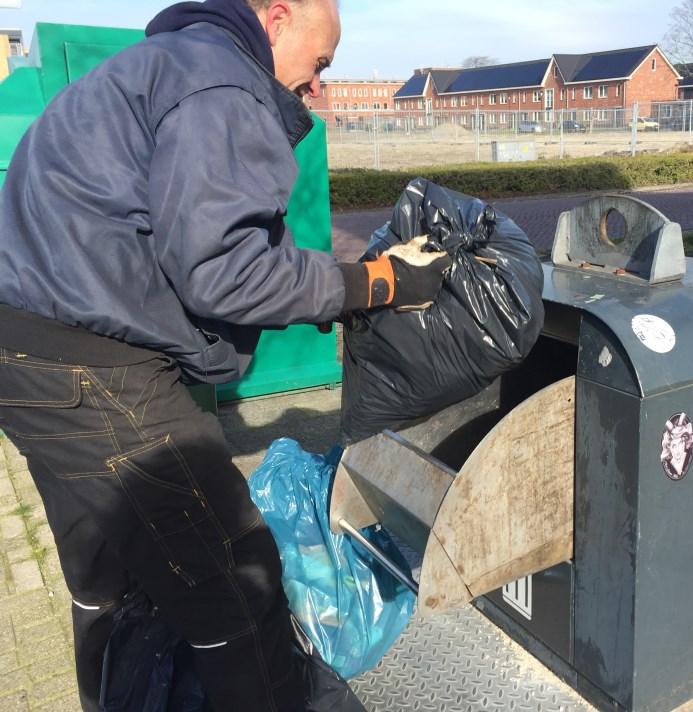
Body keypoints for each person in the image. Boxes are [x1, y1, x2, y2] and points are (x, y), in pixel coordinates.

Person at [0, 0, 449, 710]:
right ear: (275, 20)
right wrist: (379, 283)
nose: (318, 88)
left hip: (24, 355)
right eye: (320, 64)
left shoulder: (159, 67)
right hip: (96, 370)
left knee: (105, 576)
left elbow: (220, 237)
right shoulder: (224, 82)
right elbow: (226, 272)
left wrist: (354, 260)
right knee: (234, 577)